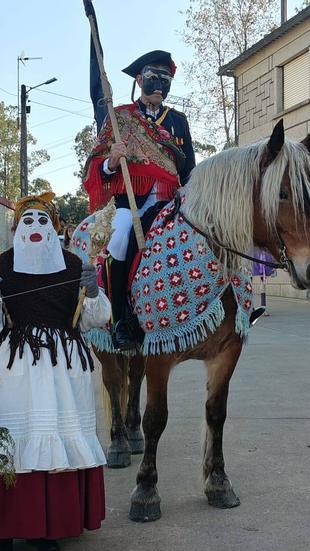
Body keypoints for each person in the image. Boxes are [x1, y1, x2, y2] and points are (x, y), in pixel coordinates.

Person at [0, 193, 110, 551]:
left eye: (43, 220)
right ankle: (2, 532)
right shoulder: (0, 265)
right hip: (15, 370)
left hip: (63, 371)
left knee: (56, 439)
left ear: (55, 227)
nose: (35, 226)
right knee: (9, 443)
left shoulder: (74, 265)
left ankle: (48, 527)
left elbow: (93, 319)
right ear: (16, 227)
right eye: (27, 220)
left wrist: (93, 292)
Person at [83, 49, 196, 350]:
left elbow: (190, 170)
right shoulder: (120, 117)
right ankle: (121, 317)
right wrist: (111, 161)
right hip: (130, 202)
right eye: (153, 78)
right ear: (138, 80)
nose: (160, 85)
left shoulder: (178, 121)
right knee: (119, 238)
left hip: (171, 202)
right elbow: (95, 166)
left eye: (166, 79)